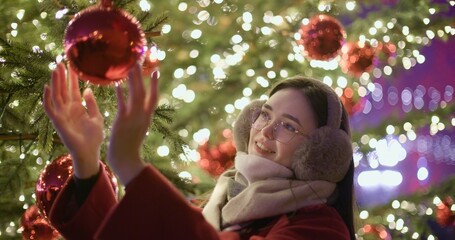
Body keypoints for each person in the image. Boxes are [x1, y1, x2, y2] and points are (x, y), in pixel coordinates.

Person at [43, 62, 356, 239]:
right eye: (265, 114)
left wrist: (130, 166)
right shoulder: (219, 204)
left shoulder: (321, 229)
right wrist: (86, 161)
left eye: (288, 126)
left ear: (318, 154)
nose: (265, 130)